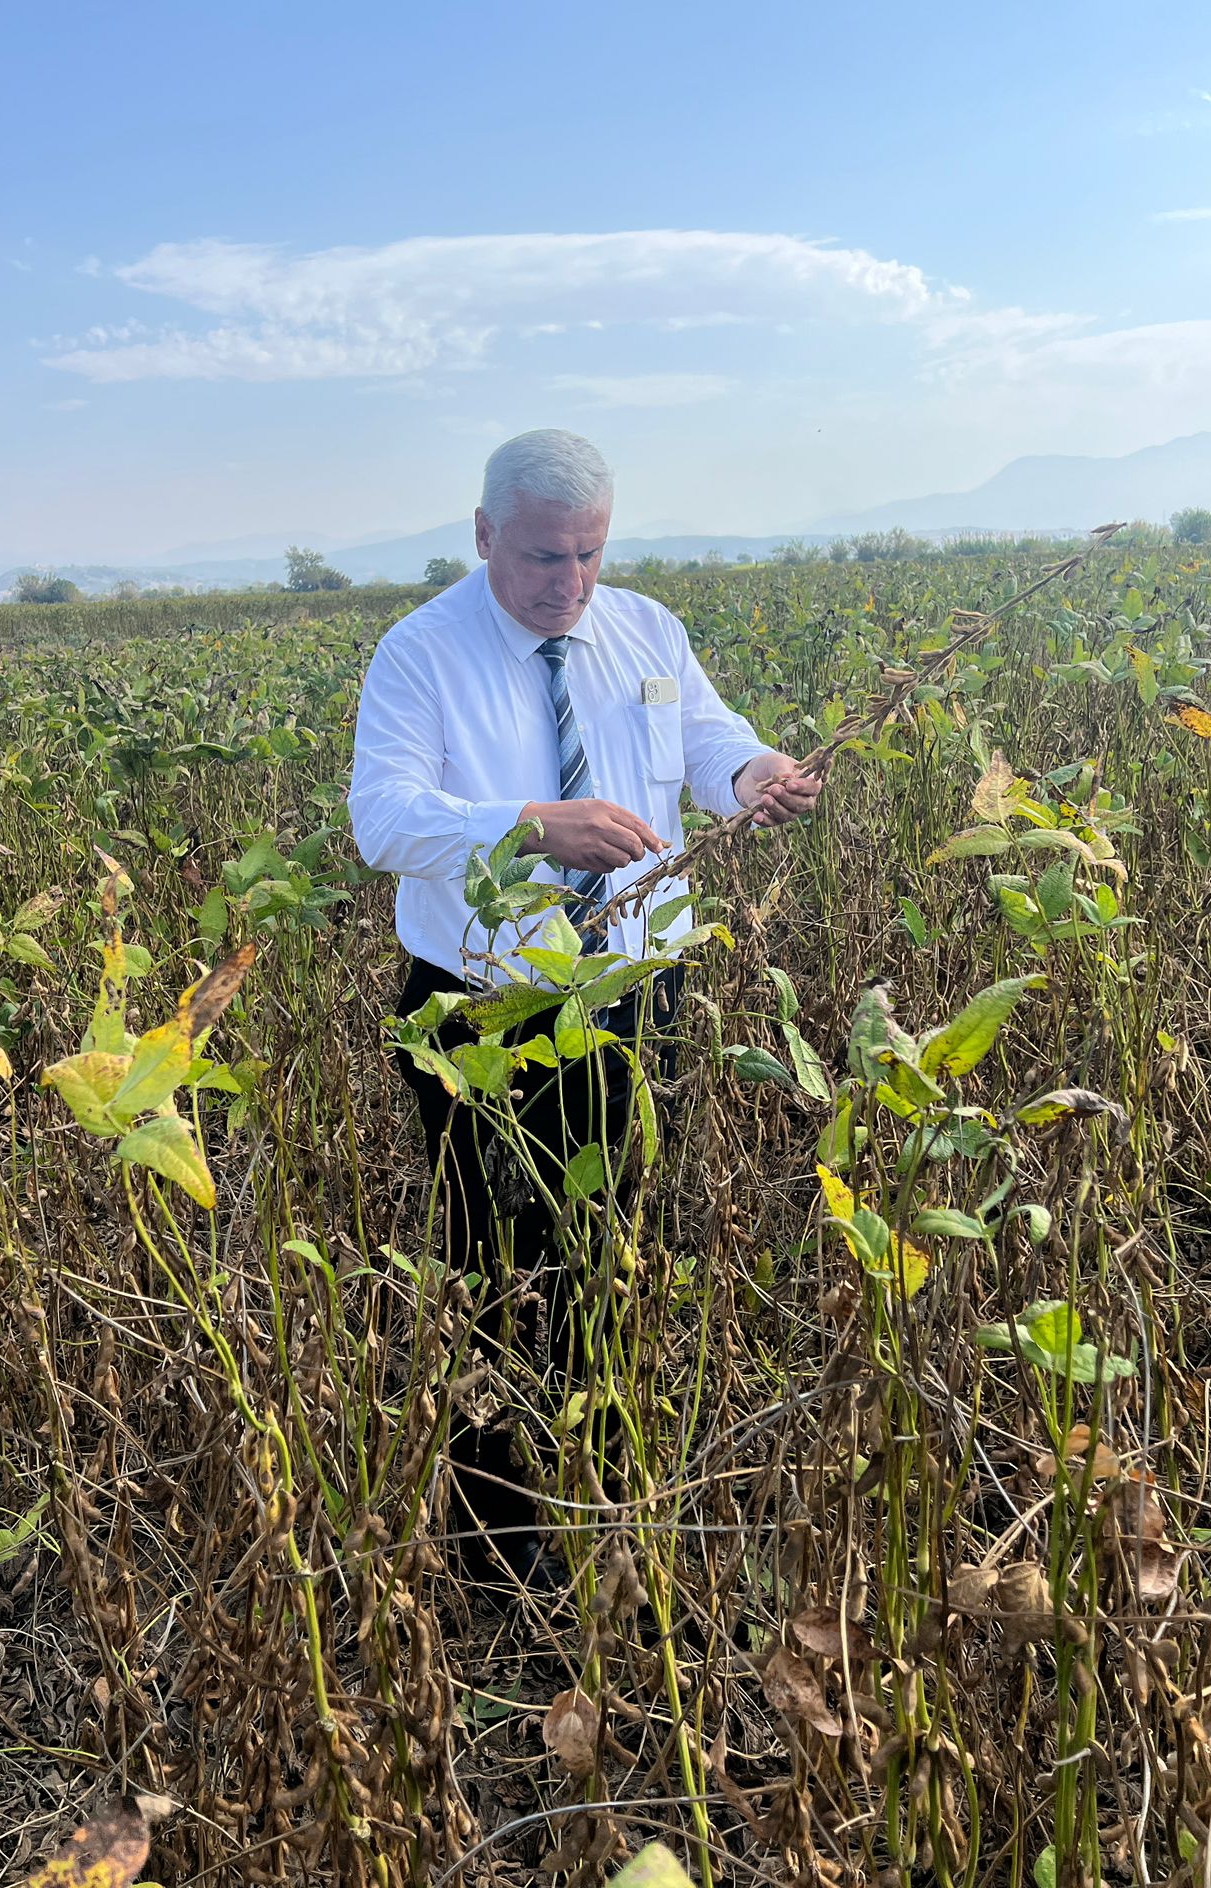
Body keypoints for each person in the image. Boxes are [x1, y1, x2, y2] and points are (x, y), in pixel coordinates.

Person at [348, 430, 822, 1575]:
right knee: (486, 1252)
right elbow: (385, 818)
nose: (568, 584)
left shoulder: (649, 629)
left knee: (610, 1238)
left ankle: (605, 1477)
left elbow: (703, 738)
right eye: (543, 559)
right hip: (478, 1006)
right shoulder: (420, 655)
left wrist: (751, 770)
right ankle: (498, 1533)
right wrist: (527, 824)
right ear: (483, 536)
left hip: (625, 994)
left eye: (589, 556)